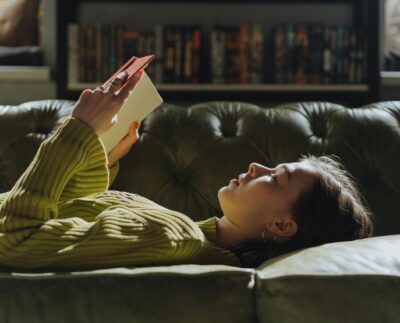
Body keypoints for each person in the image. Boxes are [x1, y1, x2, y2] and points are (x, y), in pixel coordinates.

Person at [0, 70, 374, 270]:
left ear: (281, 226)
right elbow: (63, 220)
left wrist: (76, 131)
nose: (256, 166)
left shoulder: (170, 236)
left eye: (275, 178)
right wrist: (100, 157)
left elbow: (17, 238)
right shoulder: (182, 231)